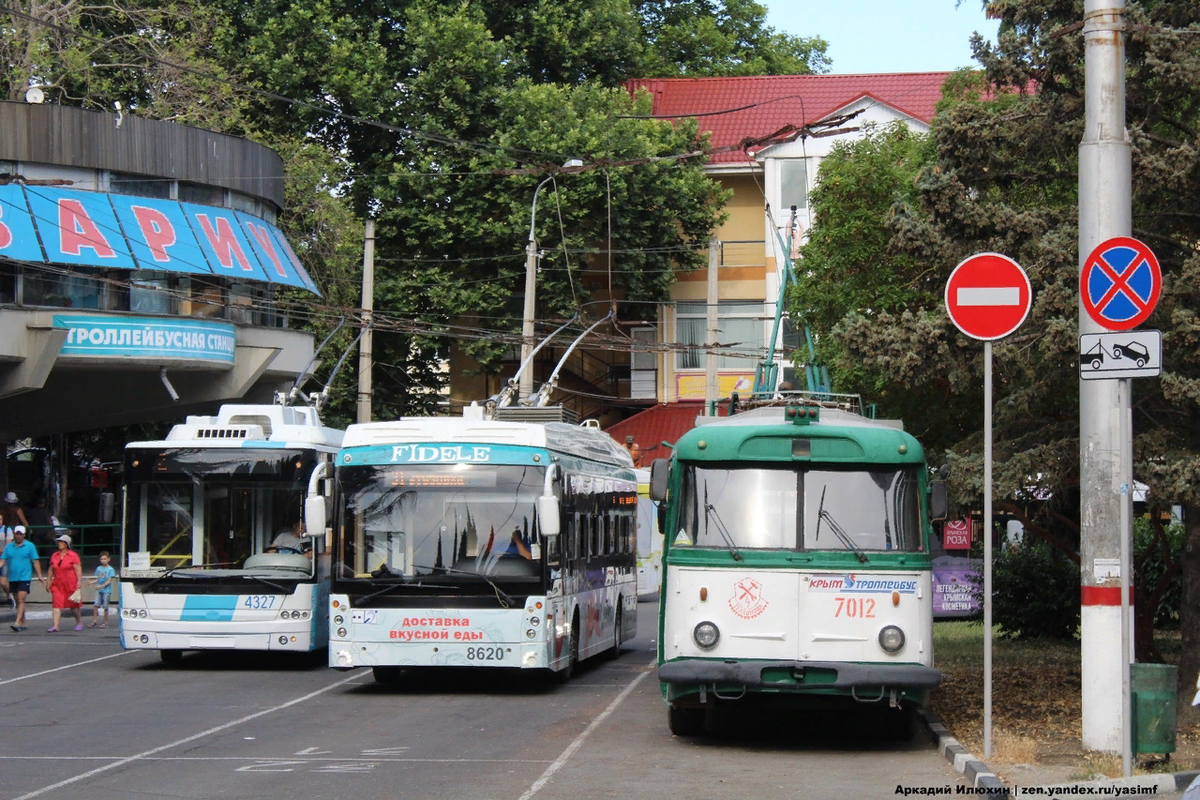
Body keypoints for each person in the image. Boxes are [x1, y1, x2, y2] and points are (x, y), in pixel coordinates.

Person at [0, 526, 45, 632]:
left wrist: (39, 575)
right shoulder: (9, 547)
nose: (18, 536)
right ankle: (23, 621)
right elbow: (2, 560)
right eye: (17, 533)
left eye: (21, 534)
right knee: (17, 600)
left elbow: (35, 561)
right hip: (13, 578)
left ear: (24, 535)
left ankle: (16, 622)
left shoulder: (30, 546)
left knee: (21, 599)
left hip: (24, 577)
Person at [47, 532, 83, 633]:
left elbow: (78, 569)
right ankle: (55, 626)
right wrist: (48, 581)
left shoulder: (73, 555)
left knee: (74, 608)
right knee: (56, 605)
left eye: (61, 542)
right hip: (58, 584)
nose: (59, 543)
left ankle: (79, 622)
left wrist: (79, 581)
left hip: (70, 584)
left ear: (66, 544)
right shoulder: (55, 555)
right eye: (59, 542)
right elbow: (51, 569)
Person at [87, 550, 116, 628]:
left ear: (108, 559)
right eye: (102, 559)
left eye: (105, 559)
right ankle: (94, 621)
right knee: (96, 605)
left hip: (106, 591)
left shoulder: (111, 569)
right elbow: (98, 578)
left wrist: (101, 586)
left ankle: (105, 622)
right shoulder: (99, 568)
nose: (103, 560)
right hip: (99, 590)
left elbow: (109, 581)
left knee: (105, 606)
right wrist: (91, 582)